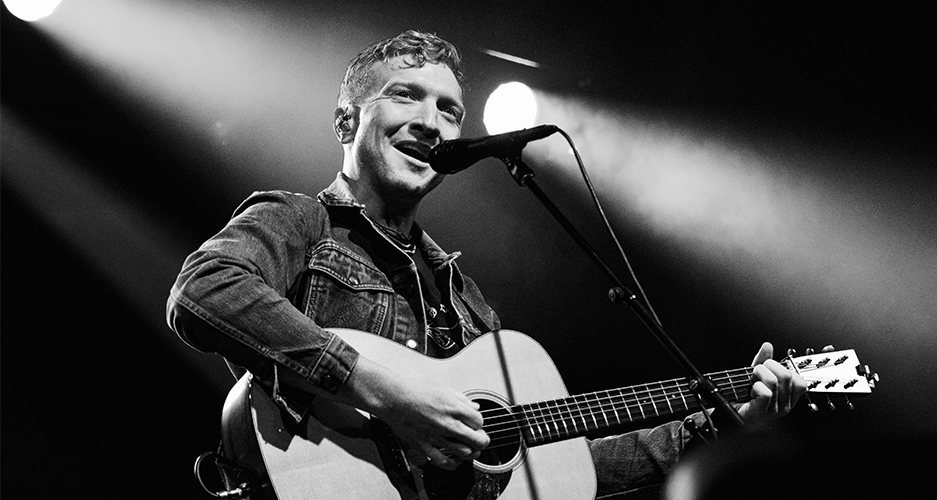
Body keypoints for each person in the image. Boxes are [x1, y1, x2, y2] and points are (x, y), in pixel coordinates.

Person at [167, 30, 806, 498]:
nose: (431, 122)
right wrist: (383, 391)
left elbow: (558, 466)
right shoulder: (300, 221)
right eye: (405, 97)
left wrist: (719, 424)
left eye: (448, 110)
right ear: (346, 119)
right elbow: (203, 290)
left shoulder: (466, 300)